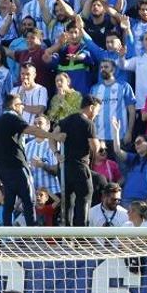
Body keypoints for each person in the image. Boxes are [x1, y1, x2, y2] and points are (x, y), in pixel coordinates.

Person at [0, 94, 66, 226]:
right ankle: (32, 233)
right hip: (17, 166)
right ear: (14, 106)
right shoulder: (12, 118)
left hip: (2, 168)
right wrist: (53, 135)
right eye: (21, 105)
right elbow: (31, 130)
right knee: (28, 199)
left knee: (9, 202)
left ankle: (7, 234)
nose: (22, 108)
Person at [55, 95, 102, 226]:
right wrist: (98, 144)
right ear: (91, 107)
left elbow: (52, 135)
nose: (97, 114)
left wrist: (56, 153)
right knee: (84, 200)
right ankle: (81, 237)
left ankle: (66, 236)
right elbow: (94, 147)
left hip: (64, 167)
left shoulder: (66, 120)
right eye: (97, 111)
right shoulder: (88, 123)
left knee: (67, 202)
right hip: (80, 167)